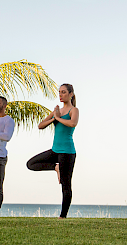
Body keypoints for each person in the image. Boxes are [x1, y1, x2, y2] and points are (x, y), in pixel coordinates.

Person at [27, 84, 79, 219]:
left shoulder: (74, 110)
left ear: (71, 94)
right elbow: (40, 125)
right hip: (55, 150)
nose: (61, 95)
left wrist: (57, 118)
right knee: (31, 164)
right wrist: (53, 117)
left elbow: (73, 123)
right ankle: (56, 167)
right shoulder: (57, 111)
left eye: (64, 92)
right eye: (59, 92)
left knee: (66, 186)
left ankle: (63, 216)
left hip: (67, 152)